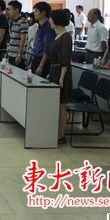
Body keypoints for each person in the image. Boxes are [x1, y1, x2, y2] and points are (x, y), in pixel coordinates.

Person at [47, 9, 74, 145]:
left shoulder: (66, 36)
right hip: (54, 71)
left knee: (61, 105)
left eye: (51, 18)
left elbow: (65, 59)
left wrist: (62, 78)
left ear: (56, 20)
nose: (49, 21)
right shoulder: (57, 35)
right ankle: (55, 132)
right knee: (56, 104)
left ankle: (61, 135)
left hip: (61, 73)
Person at [31, 2, 55, 78]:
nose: (34, 13)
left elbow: (47, 48)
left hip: (42, 61)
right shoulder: (40, 26)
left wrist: (41, 66)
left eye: (36, 11)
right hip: (36, 58)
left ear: (43, 13)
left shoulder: (48, 27)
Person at [7, 0, 28, 69]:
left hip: (17, 56)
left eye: (10, 9)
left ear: (16, 10)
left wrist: (19, 55)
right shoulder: (13, 21)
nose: (8, 12)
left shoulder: (23, 22)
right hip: (11, 54)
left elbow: (23, 39)